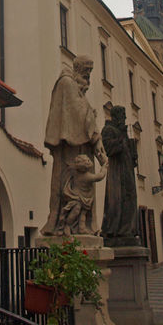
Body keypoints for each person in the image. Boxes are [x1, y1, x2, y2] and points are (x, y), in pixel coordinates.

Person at [41, 56, 106, 235]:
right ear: (80, 70)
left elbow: (83, 110)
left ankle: (82, 227)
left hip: (81, 147)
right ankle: (64, 225)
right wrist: (95, 137)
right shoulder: (67, 83)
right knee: (70, 190)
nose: (88, 79)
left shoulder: (76, 88)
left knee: (83, 193)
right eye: (87, 73)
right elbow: (79, 112)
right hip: (70, 150)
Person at [101, 105, 138, 239]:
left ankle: (128, 229)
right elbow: (110, 149)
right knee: (117, 200)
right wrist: (122, 139)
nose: (125, 119)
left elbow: (126, 152)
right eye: (123, 116)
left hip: (127, 171)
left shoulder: (123, 132)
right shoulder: (108, 130)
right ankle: (116, 230)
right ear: (116, 116)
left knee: (130, 198)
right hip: (117, 172)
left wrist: (133, 155)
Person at [57, 155, 107, 235]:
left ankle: (81, 228)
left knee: (83, 213)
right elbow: (100, 176)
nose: (89, 161)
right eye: (87, 160)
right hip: (77, 197)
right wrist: (104, 168)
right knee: (76, 211)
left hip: (85, 198)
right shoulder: (86, 176)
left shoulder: (80, 174)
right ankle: (67, 224)